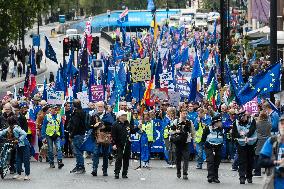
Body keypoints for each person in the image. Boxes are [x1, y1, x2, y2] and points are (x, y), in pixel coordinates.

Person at [111, 110, 141, 179]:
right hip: (119, 144)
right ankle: (117, 173)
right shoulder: (115, 124)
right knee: (119, 158)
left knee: (126, 159)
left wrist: (138, 128)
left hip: (127, 144)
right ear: (120, 116)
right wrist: (113, 144)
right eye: (124, 115)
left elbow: (132, 131)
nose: (126, 117)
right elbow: (113, 136)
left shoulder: (127, 123)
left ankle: (124, 173)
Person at [0, 116, 30, 180]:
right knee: (18, 160)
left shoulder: (16, 128)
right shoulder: (9, 128)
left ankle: (27, 175)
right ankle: (18, 174)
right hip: (18, 146)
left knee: (25, 160)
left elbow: (24, 134)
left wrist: (19, 140)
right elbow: (2, 132)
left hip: (24, 145)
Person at [259, 115, 284, 189]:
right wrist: (277, 162)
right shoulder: (273, 141)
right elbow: (261, 161)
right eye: (282, 124)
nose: (283, 126)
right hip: (275, 183)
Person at [232, 110, 257, 184]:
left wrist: (247, 135)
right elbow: (234, 134)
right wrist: (240, 135)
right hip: (241, 144)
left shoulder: (252, 120)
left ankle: (249, 176)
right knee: (242, 161)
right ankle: (242, 177)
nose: (244, 118)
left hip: (251, 144)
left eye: (245, 116)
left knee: (250, 161)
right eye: (242, 117)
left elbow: (252, 129)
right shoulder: (236, 123)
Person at [91, 101, 113, 176]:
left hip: (105, 137)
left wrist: (105, 126)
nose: (100, 108)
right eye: (98, 107)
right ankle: (94, 169)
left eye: (101, 106)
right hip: (96, 137)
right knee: (95, 153)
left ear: (104, 107)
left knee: (105, 154)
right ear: (96, 107)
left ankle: (105, 170)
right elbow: (89, 125)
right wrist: (94, 125)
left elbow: (112, 126)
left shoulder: (108, 115)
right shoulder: (94, 115)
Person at [172, 109, 195, 180]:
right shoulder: (176, 121)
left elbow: (193, 132)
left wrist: (194, 142)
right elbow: (171, 131)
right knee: (178, 158)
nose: (185, 115)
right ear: (180, 113)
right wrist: (176, 131)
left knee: (186, 158)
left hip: (186, 143)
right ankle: (178, 170)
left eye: (186, 113)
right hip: (178, 143)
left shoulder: (189, 122)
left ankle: (185, 173)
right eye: (183, 113)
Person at [201, 115, 224, 183]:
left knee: (217, 162)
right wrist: (206, 145)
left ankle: (215, 177)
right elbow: (203, 138)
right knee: (210, 161)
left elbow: (223, 138)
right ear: (215, 122)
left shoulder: (222, 129)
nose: (221, 123)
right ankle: (210, 176)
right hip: (209, 147)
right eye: (220, 122)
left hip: (218, 147)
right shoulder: (208, 128)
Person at [41, 105, 65, 169]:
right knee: (50, 150)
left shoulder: (59, 116)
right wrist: (43, 137)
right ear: (51, 109)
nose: (55, 110)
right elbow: (44, 127)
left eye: (56, 109)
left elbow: (61, 126)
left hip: (57, 135)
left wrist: (62, 135)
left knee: (59, 148)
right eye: (53, 109)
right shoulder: (47, 116)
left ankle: (60, 162)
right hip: (49, 135)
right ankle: (51, 163)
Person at [69, 100, 86, 174]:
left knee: (78, 151)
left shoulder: (77, 113)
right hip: (80, 133)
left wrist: (71, 135)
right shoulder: (81, 111)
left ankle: (81, 167)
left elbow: (76, 125)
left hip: (77, 134)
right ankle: (78, 165)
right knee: (78, 151)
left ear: (74, 105)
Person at [254, 111, 271, 176]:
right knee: (266, 155)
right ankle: (267, 171)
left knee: (257, 156)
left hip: (259, 140)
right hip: (267, 140)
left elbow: (256, 131)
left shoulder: (257, 123)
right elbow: (269, 131)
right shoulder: (269, 123)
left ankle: (257, 172)